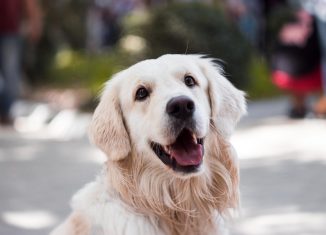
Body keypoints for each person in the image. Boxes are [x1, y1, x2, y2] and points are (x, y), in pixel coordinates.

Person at [0, 0, 42, 125]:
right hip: (10, 29)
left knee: (10, 73)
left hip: (10, 29)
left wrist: (35, 21)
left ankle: (5, 112)